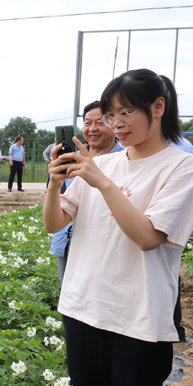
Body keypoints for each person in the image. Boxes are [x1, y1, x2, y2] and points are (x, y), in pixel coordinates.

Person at [43, 68, 193, 386]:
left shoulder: (181, 167)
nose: (116, 124)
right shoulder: (103, 166)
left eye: (125, 113)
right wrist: (53, 184)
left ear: (159, 107)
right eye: (111, 115)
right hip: (83, 309)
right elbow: (55, 223)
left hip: (137, 320)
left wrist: (103, 182)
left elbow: (149, 237)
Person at [49, 101, 124, 284]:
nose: (92, 129)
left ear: (113, 124)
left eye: (100, 122)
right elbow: (59, 203)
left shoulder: (125, 160)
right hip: (66, 241)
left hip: (105, 248)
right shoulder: (71, 158)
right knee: (69, 297)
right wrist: (53, 184)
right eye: (88, 123)